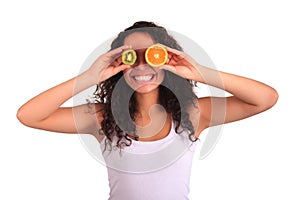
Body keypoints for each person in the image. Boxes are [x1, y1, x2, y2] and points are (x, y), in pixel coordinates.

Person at [17, 21, 278, 200]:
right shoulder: (102, 117)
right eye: (131, 57)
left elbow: (265, 98)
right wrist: (89, 77)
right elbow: (28, 115)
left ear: (165, 61)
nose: (141, 66)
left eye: (151, 56)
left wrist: (200, 71)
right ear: (119, 64)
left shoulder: (193, 114)